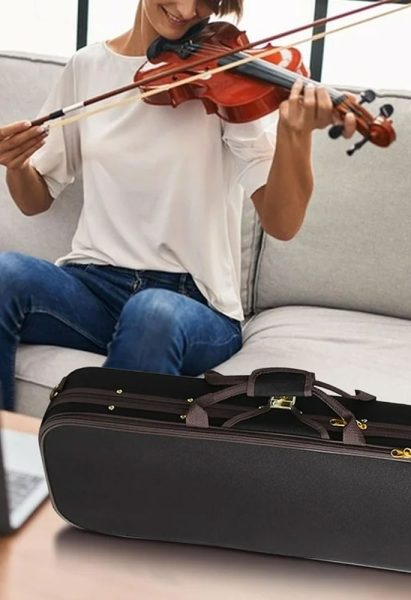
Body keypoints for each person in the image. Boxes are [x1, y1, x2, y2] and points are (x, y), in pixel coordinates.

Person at [0, 0, 357, 411]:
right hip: (93, 284)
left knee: (151, 312)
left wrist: (297, 135)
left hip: (192, 301)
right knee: (7, 273)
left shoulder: (226, 75)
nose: (188, 10)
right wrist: (17, 165)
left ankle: (94, 451)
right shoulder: (88, 67)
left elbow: (282, 223)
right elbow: (34, 200)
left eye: (207, 1)